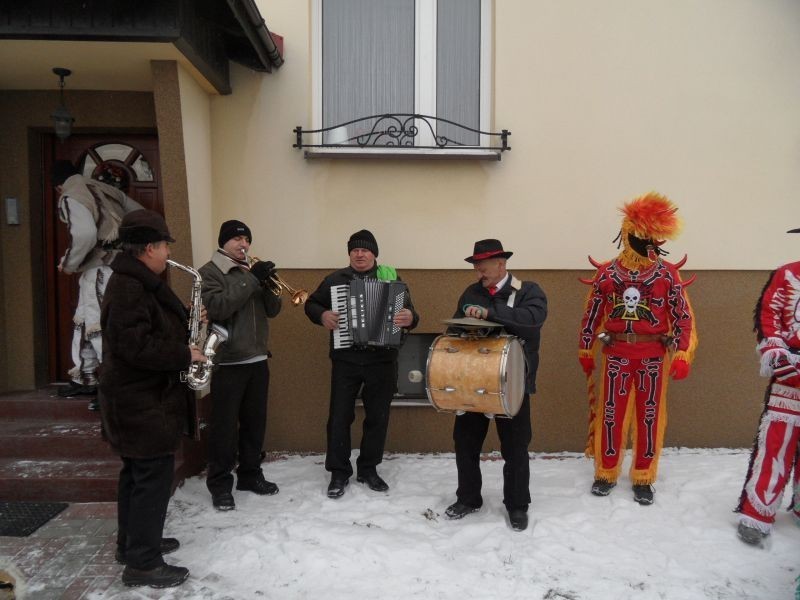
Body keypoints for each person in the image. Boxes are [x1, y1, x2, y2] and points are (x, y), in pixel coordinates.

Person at [99, 209, 202, 588]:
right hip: (141, 404)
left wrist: (189, 319)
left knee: (136, 477)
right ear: (147, 248)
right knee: (150, 480)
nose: (166, 253)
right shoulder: (130, 286)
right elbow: (134, 347)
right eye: (163, 246)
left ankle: (133, 544)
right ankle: (142, 563)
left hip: (139, 403)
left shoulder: (138, 282)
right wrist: (183, 353)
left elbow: (151, 329)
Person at [578, 192, 697, 505]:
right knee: (610, 414)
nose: (649, 244)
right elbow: (591, 315)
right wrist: (586, 349)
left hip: (652, 358)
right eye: (642, 236)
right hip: (616, 354)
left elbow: (683, 317)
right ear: (627, 232)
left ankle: (644, 475)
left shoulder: (667, 275)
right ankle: (606, 471)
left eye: (652, 238)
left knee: (649, 416)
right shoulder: (607, 274)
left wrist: (683, 353)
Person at [442, 239, 547, 532]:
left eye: (484, 268)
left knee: (515, 447)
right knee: (465, 442)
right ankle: (468, 498)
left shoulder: (528, 291)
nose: (479, 274)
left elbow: (532, 320)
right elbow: (455, 329)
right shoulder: (471, 292)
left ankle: (517, 505)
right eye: (477, 268)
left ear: (501, 264)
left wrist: (490, 315)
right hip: (474, 380)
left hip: (512, 382)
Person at [305, 229, 419, 498]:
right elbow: (311, 304)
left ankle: (369, 469)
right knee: (339, 417)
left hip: (382, 360)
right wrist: (322, 315)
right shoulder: (335, 280)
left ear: (374, 253)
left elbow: (413, 315)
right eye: (355, 249)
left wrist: (409, 317)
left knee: (378, 417)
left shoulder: (391, 278)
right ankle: (338, 472)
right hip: (346, 358)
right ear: (349, 254)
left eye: (365, 249)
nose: (360, 253)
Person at [200, 220, 283, 511]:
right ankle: (220, 484)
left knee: (254, 424)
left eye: (246, 239)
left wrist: (270, 284)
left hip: (258, 358)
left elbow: (273, 311)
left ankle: (250, 474)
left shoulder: (252, 270)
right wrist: (251, 280)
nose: (243, 244)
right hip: (229, 360)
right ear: (224, 242)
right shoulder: (209, 273)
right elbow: (218, 308)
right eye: (236, 239)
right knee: (224, 428)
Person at [52, 159, 144, 409]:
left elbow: (84, 235)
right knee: (84, 320)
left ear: (58, 187)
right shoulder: (103, 188)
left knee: (98, 325)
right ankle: (86, 376)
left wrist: (69, 263)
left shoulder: (71, 194)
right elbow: (140, 216)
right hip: (116, 263)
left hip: (100, 268)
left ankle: (118, 387)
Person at [735, 226, 800, 546]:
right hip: (791, 375)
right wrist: (776, 351)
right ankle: (758, 513)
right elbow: (769, 316)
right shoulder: (787, 276)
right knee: (776, 444)